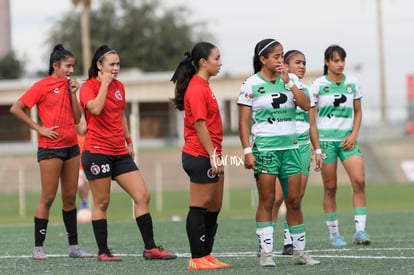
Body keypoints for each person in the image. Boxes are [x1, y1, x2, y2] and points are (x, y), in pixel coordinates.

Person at [79, 45, 177, 262]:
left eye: (118, 64)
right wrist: (104, 84)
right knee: (102, 202)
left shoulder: (119, 86)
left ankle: (150, 249)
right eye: (112, 64)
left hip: (119, 152)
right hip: (97, 152)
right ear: (99, 65)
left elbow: (120, 114)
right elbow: (95, 109)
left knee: (142, 195)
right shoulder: (88, 87)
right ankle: (103, 252)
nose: (116, 68)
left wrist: (129, 140)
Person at [238, 38, 320, 267]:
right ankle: (266, 254)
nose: (280, 60)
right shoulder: (250, 84)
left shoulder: (291, 80)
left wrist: (289, 84)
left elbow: (306, 106)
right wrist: (247, 150)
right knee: (268, 200)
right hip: (265, 150)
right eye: (276, 56)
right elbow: (243, 122)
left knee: (294, 201)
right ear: (262, 59)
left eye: (282, 56)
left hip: (292, 149)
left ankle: (300, 253)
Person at [9, 44, 92, 260]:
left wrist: (74, 94)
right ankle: (38, 248)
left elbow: (76, 119)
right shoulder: (41, 86)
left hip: (72, 148)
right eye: (67, 66)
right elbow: (16, 108)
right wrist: (39, 128)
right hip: (50, 150)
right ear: (55, 65)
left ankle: (74, 247)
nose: (71, 70)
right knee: (47, 197)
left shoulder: (70, 86)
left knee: (70, 198)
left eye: (73, 66)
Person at [170, 42, 230, 270]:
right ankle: (196, 259)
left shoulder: (204, 86)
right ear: (203, 62)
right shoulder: (197, 88)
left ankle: (207, 255)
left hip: (210, 153)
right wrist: (213, 155)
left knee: (214, 206)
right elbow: (200, 125)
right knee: (199, 206)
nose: (220, 62)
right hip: (199, 154)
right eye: (216, 58)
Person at [310, 44, 370, 246]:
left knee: (359, 181)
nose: (341, 64)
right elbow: (311, 117)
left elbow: (359, 111)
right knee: (331, 187)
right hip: (326, 142)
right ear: (327, 62)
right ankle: (334, 234)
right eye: (336, 60)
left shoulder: (353, 82)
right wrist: (316, 146)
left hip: (348, 141)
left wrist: (354, 134)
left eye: (343, 60)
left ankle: (360, 231)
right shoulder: (317, 85)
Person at [271, 50, 323, 255]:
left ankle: (288, 242)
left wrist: (317, 149)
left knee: (296, 196)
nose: (302, 66)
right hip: (281, 145)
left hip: (301, 145)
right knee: (275, 197)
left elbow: (312, 124)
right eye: (297, 62)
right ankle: (264, 242)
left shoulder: (306, 90)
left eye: (304, 62)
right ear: (285, 64)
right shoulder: (273, 86)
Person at [76, 114, 92, 223]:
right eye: (81, 123)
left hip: (89, 165)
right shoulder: (74, 136)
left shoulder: (90, 136)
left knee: (87, 185)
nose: (83, 125)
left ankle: (85, 201)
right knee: (79, 184)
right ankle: (83, 200)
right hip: (78, 167)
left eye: (85, 123)